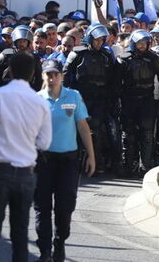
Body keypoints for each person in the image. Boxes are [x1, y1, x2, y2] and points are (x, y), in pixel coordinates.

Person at [0, 52, 52, 262]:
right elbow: (45, 143)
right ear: (33, 74)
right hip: (25, 172)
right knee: (20, 233)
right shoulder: (40, 102)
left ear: (10, 71)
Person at [35, 59, 95, 262]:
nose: (52, 78)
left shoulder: (73, 96)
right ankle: (44, 251)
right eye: (48, 74)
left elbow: (83, 127)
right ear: (43, 76)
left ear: (62, 76)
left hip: (68, 161)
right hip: (44, 160)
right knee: (42, 207)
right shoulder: (37, 99)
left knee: (64, 207)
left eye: (56, 74)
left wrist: (91, 156)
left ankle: (59, 242)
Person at [65, 23, 121, 173]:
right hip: (80, 97)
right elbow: (66, 76)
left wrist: (113, 99)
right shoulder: (77, 54)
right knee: (75, 129)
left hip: (99, 98)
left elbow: (113, 79)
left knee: (96, 129)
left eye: (101, 40)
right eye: (96, 40)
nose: (99, 43)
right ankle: (74, 163)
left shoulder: (106, 55)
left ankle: (97, 163)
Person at [117, 29, 159, 176]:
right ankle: (128, 165)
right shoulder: (123, 59)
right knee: (128, 134)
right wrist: (115, 101)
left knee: (147, 134)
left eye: (145, 43)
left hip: (147, 100)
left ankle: (146, 166)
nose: (142, 46)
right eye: (139, 43)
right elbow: (116, 83)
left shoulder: (153, 59)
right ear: (133, 43)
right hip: (128, 100)